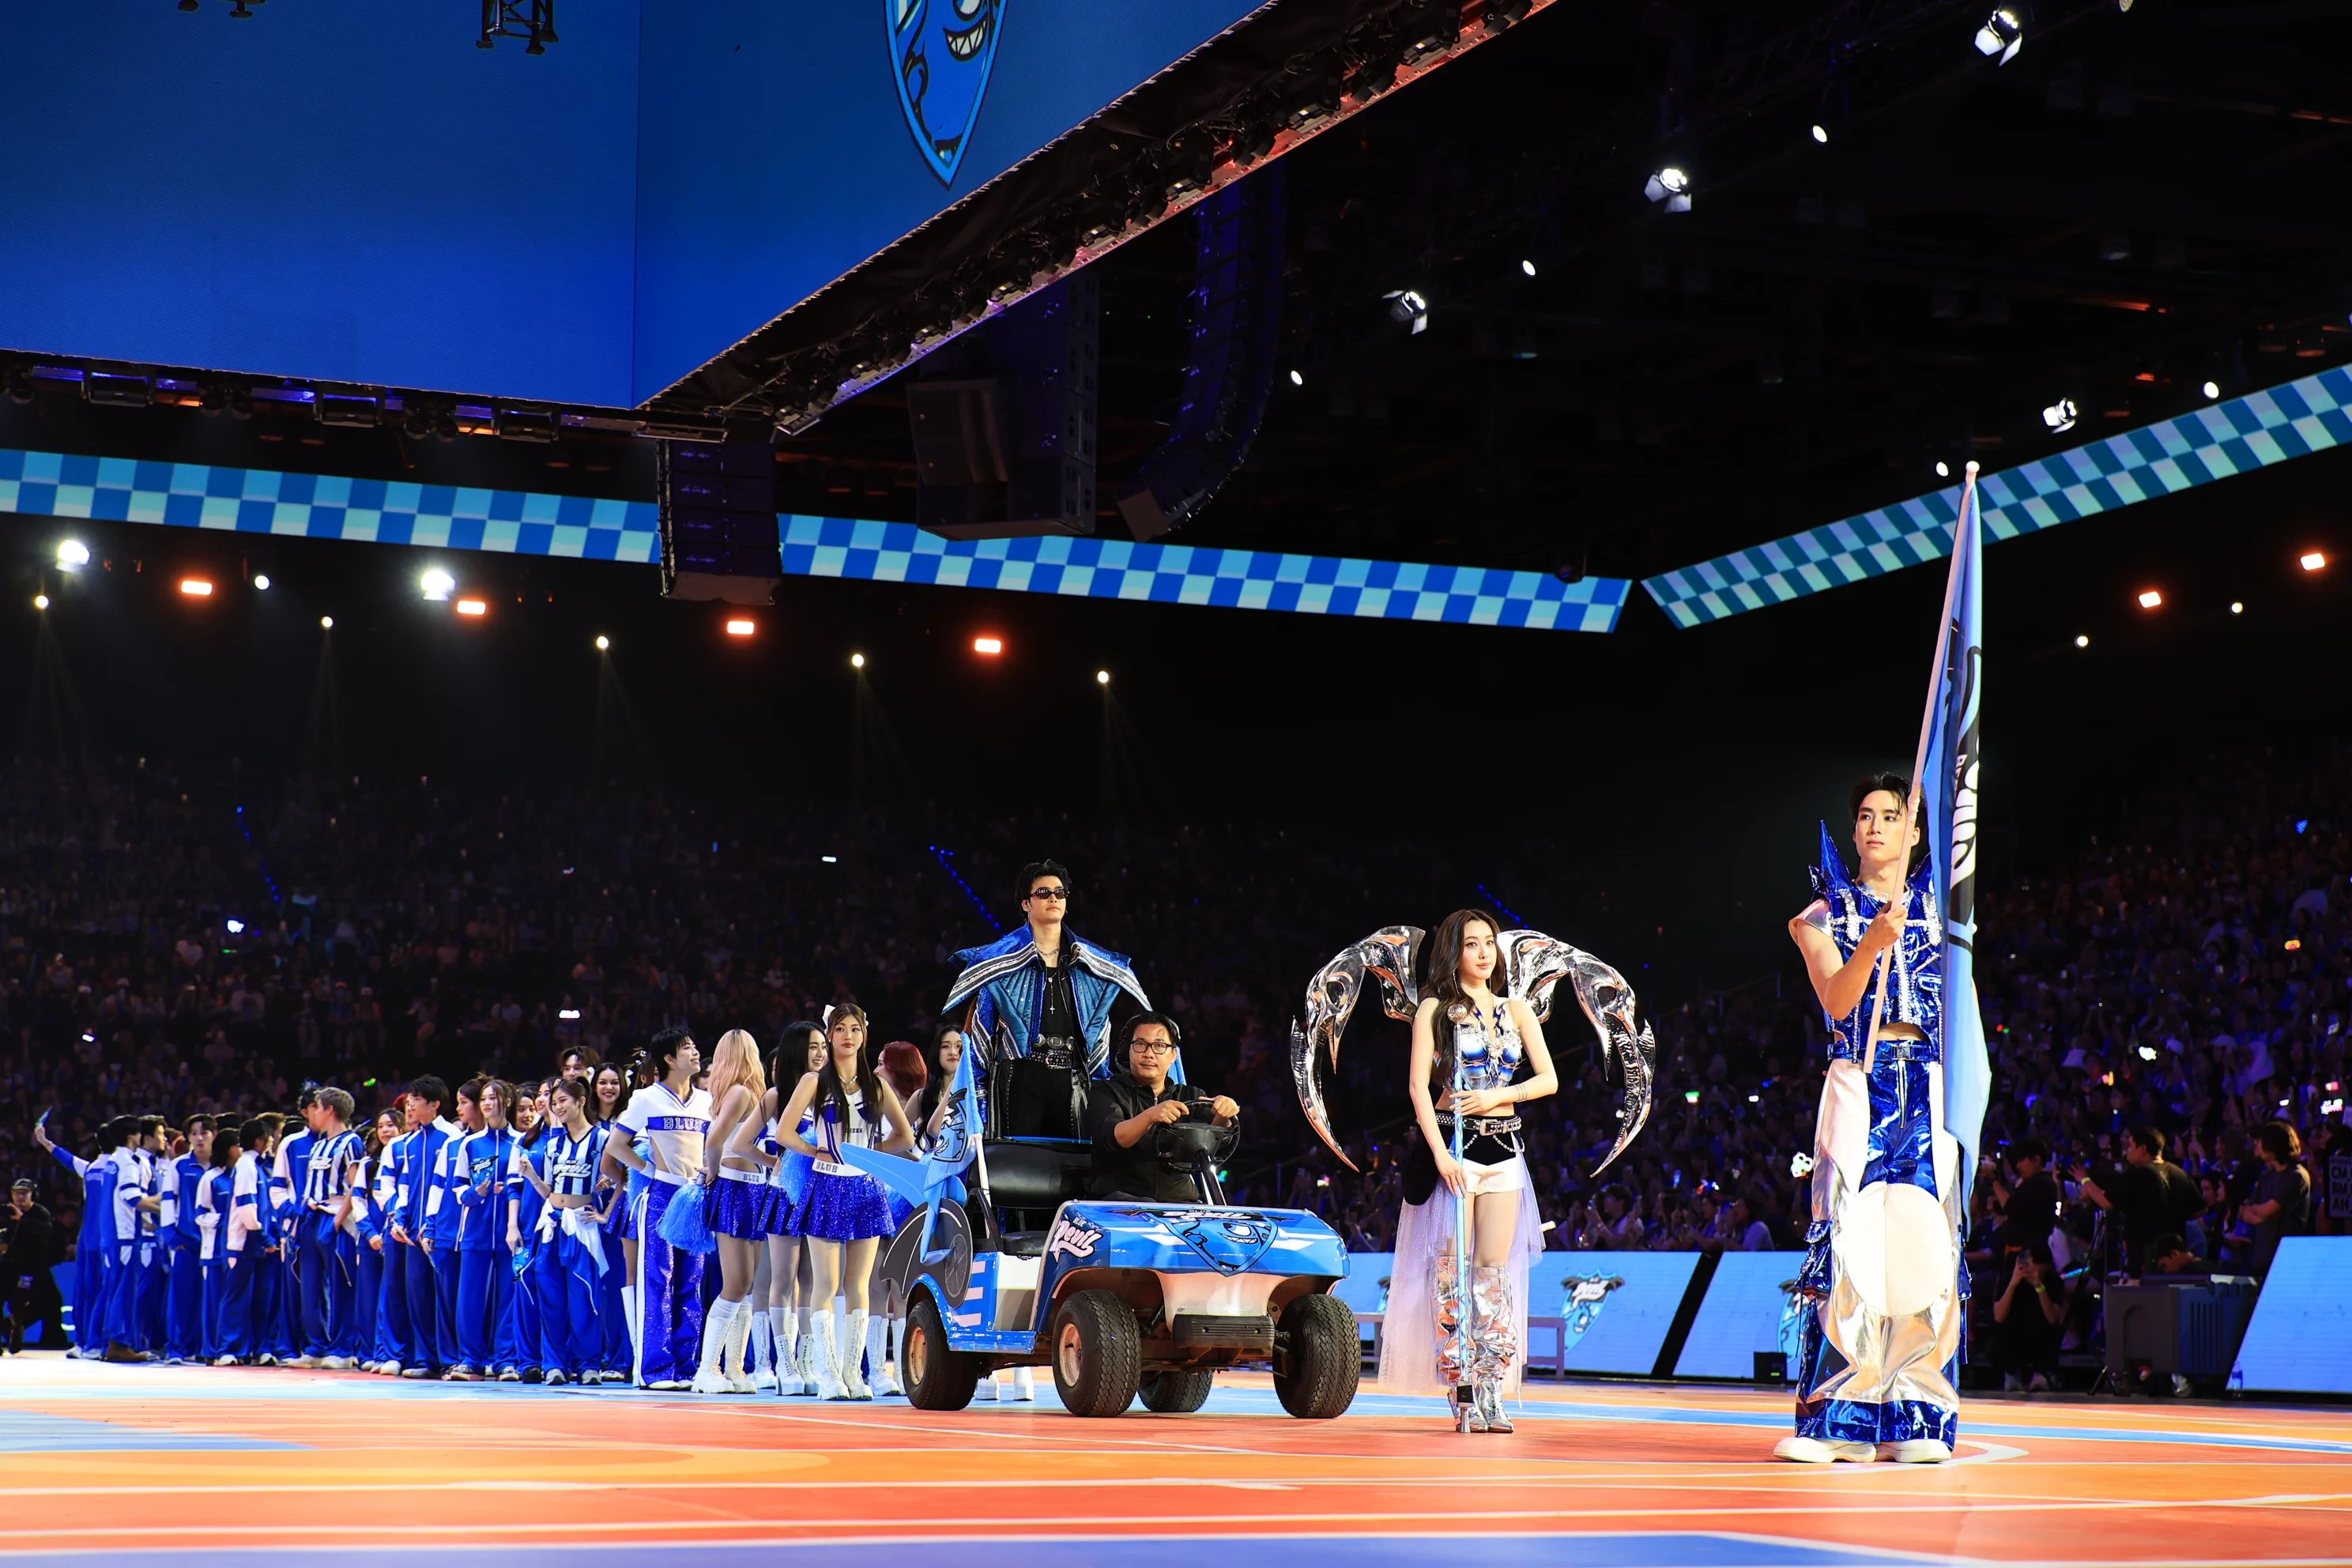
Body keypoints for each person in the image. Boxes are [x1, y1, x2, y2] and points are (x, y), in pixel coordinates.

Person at [1781, 777, 1966, 1464]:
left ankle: (1919, 1414)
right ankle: (1840, 1420)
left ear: (1914, 833)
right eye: (1865, 816)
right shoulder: (1820, 915)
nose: (1877, 826)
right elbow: (1836, 1001)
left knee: (1927, 1243)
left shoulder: (1945, 911)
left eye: (1892, 816)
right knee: (1847, 1238)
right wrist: (1871, 945)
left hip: (1930, 1082)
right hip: (1860, 1077)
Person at [1380, 907, 1558, 1435]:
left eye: (1488, 943)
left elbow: (1547, 1079)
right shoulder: (1435, 1009)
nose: (1483, 953)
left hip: (1503, 1150)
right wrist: (1439, 1155)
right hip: (1454, 1147)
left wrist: (1498, 1096)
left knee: (1492, 1272)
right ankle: (1461, 1389)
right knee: (1452, 1274)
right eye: (1471, 943)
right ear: (1453, 952)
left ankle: (1492, 1387)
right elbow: (1418, 1087)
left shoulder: (1517, 1009)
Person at [943, 861, 1152, 1138]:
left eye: (1059, 893)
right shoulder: (997, 963)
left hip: (1073, 1078)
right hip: (1018, 1079)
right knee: (1019, 1158)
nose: (1053, 898)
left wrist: (1101, 1095)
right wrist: (980, 1107)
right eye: (1043, 893)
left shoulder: (1093, 965)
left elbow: (1099, 1039)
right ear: (1026, 904)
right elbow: (981, 1042)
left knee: (1073, 1158)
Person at [775, 1004, 914, 1401]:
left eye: (855, 1029)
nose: (848, 1036)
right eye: (840, 1029)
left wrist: (868, 1155)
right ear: (830, 1034)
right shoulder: (814, 1081)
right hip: (826, 1186)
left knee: (859, 1284)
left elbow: (905, 1138)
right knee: (826, 1283)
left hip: (865, 1188)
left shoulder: (877, 1086)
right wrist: (815, 1150)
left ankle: (853, 1373)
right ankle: (828, 1375)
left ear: (864, 1035)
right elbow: (784, 1133)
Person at [604, 1027, 713, 1389]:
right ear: (668, 1058)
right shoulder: (646, 1098)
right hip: (661, 1196)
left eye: (694, 1046)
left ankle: (686, 1368)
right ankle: (655, 1370)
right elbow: (616, 1145)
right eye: (687, 1048)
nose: (695, 1053)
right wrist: (649, 1170)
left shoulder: (706, 1100)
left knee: (691, 1282)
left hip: (695, 1196)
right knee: (657, 1279)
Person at [732, 1021, 826, 1398]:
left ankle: (806, 1362)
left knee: (812, 1281)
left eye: (823, 1047)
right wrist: (776, 1164)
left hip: (820, 1194)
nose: (821, 1053)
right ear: (796, 1051)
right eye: (813, 1047)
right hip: (784, 1194)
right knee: (782, 1279)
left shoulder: (830, 1092)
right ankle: (783, 1363)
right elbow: (740, 1143)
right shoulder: (775, 1096)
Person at [1085, 1014, 1238, 1202]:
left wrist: (1225, 1113)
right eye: (1140, 1044)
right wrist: (1150, 1116)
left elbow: (1215, 1143)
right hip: (1120, 1201)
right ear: (1128, 1050)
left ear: (1173, 1055)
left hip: (1181, 1203)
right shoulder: (1105, 1091)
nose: (1148, 1054)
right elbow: (1114, 1138)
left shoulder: (1190, 1096)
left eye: (1159, 1046)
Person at [522, 1076, 614, 1386]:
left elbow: (623, 1178)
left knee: (585, 1297)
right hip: (552, 1224)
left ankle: (589, 1365)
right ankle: (554, 1365)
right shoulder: (553, 1144)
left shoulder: (602, 1139)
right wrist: (531, 1176)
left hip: (583, 1228)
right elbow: (548, 1191)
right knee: (550, 1298)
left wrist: (605, 1213)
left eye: (562, 1101)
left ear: (581, 1101)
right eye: (554, 1103)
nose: (557, 1107)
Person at [693, 1030, 769, 1395]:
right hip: (735, 1189)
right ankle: (707, 1370)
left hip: (753, 1190)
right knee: (736, 1283)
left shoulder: (743, 1093)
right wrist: (712, 1172)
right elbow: (714, 1140)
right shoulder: (740, 1093)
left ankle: (735, 1368)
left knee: (748, 1285)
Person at [450, 1080, 520, 1381]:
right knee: (470, 1298)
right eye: (484, 1099)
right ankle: (471, 1359)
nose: (488, 1103)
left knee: (510, 1297)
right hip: (476, 1231)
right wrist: (476, 1193)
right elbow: (458, 1188)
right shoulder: (470, 1143)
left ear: (508, 1101)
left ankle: (506, 1361)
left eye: (494, 1098)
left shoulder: (521, 1142)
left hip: (511, 1231)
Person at [2075, 1125, 2200, 1274]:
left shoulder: (2139, 1174)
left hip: (2145, 1259)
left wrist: (2084, 1180)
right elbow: (2199, 1210)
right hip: (2176, 1259)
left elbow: (2106, 1202)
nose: (2127, 1150)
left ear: (2143, 1148)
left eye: (2131, 1145)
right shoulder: (2179, 1173)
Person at [164, 1118, 215, 1363]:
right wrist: (171, 1236)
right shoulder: (179, 1165)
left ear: (214, 1135)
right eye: (194, 1134)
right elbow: (168, 1200)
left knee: (211, 1298)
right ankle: (177, 1348)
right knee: (183, 1297)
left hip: (214, 1243)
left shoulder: (223, 1166)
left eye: (204, 1132)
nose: (199, 1138)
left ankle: (206, 1347)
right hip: (187, 1242)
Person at [1990, 1241, 2064, 1392]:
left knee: (2051, 1332)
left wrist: (2039, 1287)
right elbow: (1998, 1316)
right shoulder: (2008, 1278)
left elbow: (2053, 1318)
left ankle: (2040, 1374)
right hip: (2014, 1332)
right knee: (1996, 1341)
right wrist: (2013, 1284)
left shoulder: (2053, 1281)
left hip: (2040, 1332)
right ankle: (2012, 1373)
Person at [2239, 1121, 2310, 1277]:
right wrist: (2263, 1215)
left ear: (2274, 1145)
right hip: (2261, 1258)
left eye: (2260, 1141)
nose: (2257, 1145)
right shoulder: (2267, 1177)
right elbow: (2244, 1212)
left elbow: (2269, 1210)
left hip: (2285, 1259)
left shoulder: (2296, 1176)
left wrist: (2262, 1214)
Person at [5, 1178, 62, 1354]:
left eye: (24, 1193)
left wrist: (22, 1218)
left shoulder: (41, 1213)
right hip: (8, 1266)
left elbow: (45, 1232)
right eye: (17, 1193)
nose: (20, 1197)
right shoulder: (5, 1211)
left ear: (32, 1195)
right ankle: (9, 1329)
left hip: (34, 1268)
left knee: (51, 1301)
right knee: (12, 1301)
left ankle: (51, 1341)